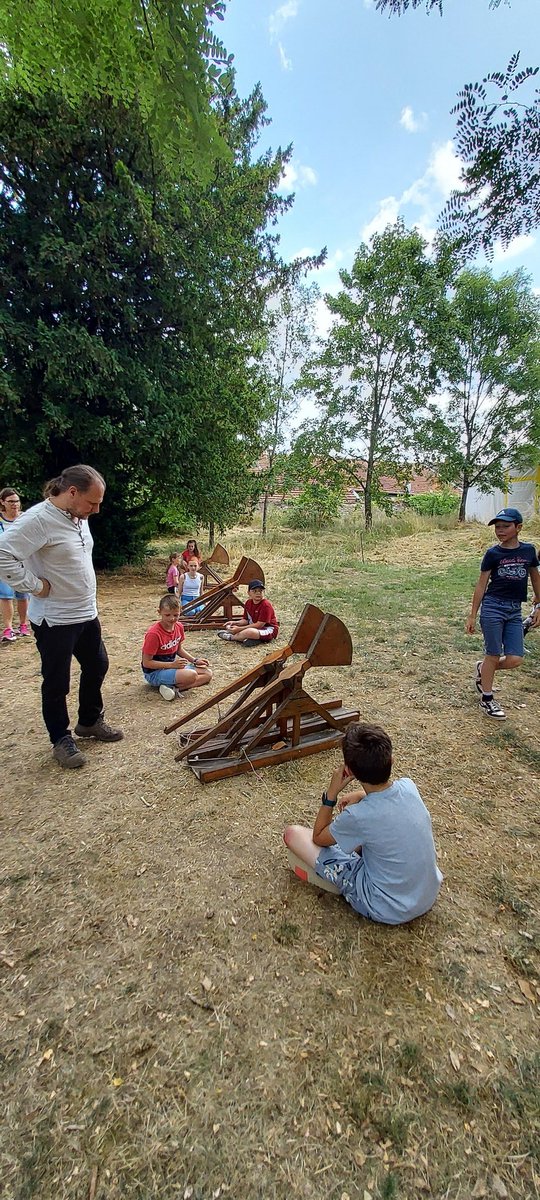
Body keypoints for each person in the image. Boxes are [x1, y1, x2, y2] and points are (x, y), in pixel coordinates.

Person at [0, 465, 123, 769]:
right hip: (54, 620)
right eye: (92, 503)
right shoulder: (38, 520)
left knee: (98, 664)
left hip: (85, 613)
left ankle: (90, 721)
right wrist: (34, 586)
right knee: (57, 681)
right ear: (71, 492)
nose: (95, 510)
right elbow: (3, 554)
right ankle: (60, 738)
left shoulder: (77, 516)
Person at [283, 722, 443, 925]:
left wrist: (331, 795)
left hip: (386, 907)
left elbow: (319, 837)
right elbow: (384, 802)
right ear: (391, 760)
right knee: (369, 839)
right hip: (425, 897)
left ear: (350, 771)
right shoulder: (409, 787)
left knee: (293, 834)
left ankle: (338, 883)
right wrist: (360, 795)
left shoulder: (359, 816)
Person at [466, 507, 540, 720]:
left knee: (515, 659)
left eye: (506, 526)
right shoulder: (493, 554)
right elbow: (481, 585)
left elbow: (535, 579)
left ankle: (483, 670)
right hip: (493, 607)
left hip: (514, 609)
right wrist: (472, 614)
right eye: (497, 527)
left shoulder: (528, 551)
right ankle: (487, 699)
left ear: (518, 527)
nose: (500, 530)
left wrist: (539, 605)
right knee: (494, 653)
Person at [142, 593, 213, 701]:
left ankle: (171, 688)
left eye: (176, 615)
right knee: (192, 675)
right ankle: (172, 684)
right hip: (154, 673)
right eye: (167, 615)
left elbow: (178, 649)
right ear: (159, 612)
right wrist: (172, 665)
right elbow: (147, 663)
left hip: (172, 667)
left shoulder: (179, 627)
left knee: (208, 674)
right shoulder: (154, 634)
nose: (172, 618)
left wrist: (195, 660)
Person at [0, 488, 31, 640]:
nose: (14, 505)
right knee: (5, 595)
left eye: (17, 501)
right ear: (2, 502)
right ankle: (8, 628)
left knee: (23, 595)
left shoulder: (26, 518)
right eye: (11, 501)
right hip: (4, 564)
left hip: (23, 561)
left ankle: (24, 625)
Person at [217, 579, 278, 644]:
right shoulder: (248, 603)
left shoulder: (266, 605)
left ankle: (231, 637)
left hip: (268, 629)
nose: (258, 593)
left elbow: (259, 625)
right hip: (255, 628)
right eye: (255, 591)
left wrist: (239, 629)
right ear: (249, 593)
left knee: (249, 632)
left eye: (261, 591)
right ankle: (251, 639)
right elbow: (246, 620)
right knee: (230, 626)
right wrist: (235, 623)